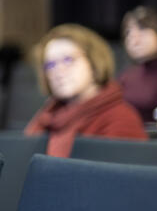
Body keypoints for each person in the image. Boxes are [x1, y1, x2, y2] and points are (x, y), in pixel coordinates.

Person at [25, 24, 147, 157]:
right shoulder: (47, 116)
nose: (58, 71)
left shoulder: (121, 119)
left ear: (93, 62)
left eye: (68, 60)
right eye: (50, 65)